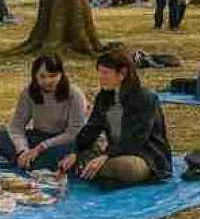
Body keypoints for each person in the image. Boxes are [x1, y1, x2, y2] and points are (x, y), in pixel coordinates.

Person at [58, 48, 172, 186]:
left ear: (122, 73)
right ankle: (87, 168)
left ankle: (86, 168)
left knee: (128, 168)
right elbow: (91, 129)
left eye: (105, 73)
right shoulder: (103, 97)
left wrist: (107, 156)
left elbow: (137, 138)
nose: (101, 77)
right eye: (99, 73)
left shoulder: (145, 99)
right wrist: (75, 151)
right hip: (114, 152)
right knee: (70, 157)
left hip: (144, 155)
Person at [0, 55, 88, 170]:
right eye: (42, 76)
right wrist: (22, 150)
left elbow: (74, 132)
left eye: (53, 76)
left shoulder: (75, 94)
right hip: (36, 138)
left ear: (61, 74)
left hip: (62, 142)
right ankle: (27, 160)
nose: (47, 81)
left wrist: (41, 147)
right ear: (35, 76)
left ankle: (31, 162)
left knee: (68, 153)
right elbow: (16, 126)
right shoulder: (29, 92)